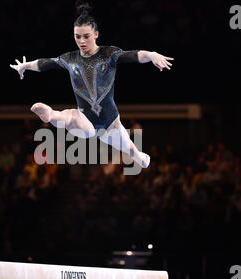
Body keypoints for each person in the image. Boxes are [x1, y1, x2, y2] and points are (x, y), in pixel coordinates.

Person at [10, 2, 174, 169]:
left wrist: (152, 55)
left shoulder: (109, 54)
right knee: (72, 120)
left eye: (86, 36)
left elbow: (134, 55)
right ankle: (50, 115)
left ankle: (140, 156)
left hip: (111, 122)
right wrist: (26, 65)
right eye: (77, 36)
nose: (81, 41)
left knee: (134, 152)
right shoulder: (69, 58)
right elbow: (46, 63)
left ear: (96, 34)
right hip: (85, 118)